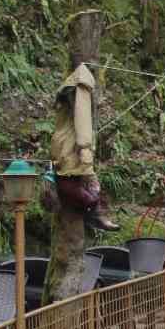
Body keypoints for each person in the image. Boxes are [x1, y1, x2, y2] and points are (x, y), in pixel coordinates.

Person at [50, 61, 120, 232]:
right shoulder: (82, 85)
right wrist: (86, 157)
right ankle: (93, 210)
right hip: (72, 147)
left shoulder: (72, 85)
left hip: (63, 145)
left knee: (75, 184)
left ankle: (92, 209)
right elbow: (82, 124)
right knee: (71, 184)